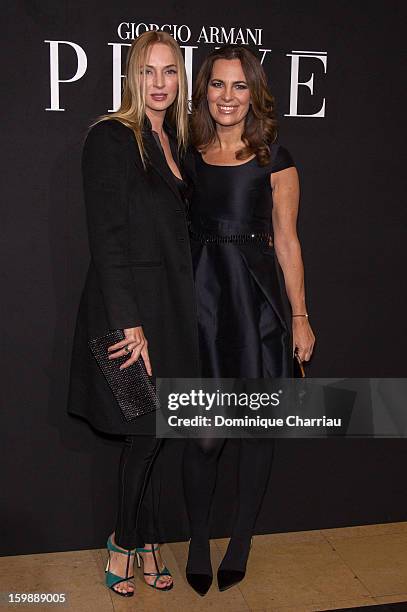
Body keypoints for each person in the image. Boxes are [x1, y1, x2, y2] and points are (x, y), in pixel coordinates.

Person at [67, 31, 200, 597]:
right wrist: (130, 323)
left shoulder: (174, 141)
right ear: (132, 75)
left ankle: (144, 537)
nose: (161, 84)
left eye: (170, 72)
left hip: (169, 308)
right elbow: (107, 239)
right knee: (145, 431)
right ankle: (126, 540)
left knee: (161, 431)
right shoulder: (110, 137)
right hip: (126, 316)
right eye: (150, 71)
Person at [182, 45, 315, 595]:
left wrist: (301, 316)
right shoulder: (185, 155)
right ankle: (197, 542)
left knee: (257, 430)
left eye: (239, 86)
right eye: (217, 85)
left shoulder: (276, 160)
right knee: (206, 436)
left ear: (254, 93)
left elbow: (287, 240)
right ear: (204, 91)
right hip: (203, 304)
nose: (227, 97)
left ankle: (240, 542)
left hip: (257, 305)